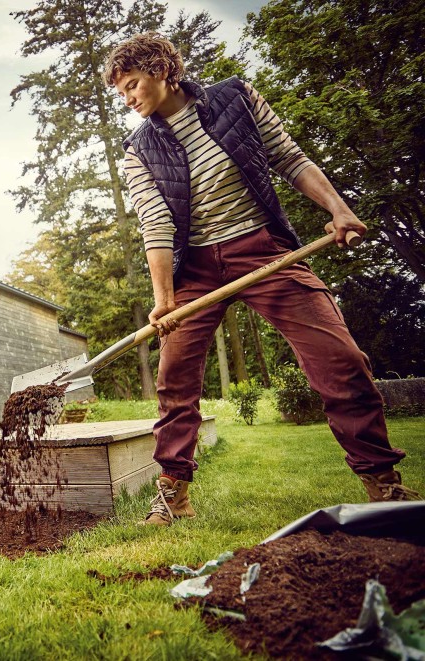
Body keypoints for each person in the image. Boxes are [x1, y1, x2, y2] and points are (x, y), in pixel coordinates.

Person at [100, 33, 420, 526]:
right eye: (121, 93)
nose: (129, 99)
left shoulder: (237, 99)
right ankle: (173, 493)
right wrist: (164, 300)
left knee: (341, 360)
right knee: (175, 378)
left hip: (263, 249)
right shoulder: (138, 149)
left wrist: (337, 209)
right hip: (196, 270)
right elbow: (156, 225)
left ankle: (382, 479)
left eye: (133, 85)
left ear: (163, 69)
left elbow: (289, 159)